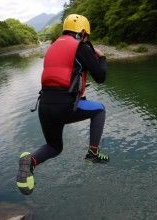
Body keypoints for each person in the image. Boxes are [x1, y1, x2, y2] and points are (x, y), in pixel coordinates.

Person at [16, 14, 109, 195]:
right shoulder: (81, 47)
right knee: (100, 110)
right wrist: (102, 58)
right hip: (64, 107)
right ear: (82, 33)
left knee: (54, 147)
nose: (87, 38)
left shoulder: (52, 47)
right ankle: (93, 154)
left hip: (44, 106)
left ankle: (30, 161)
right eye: (86, 36)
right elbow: (101, 77)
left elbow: (63, 77)